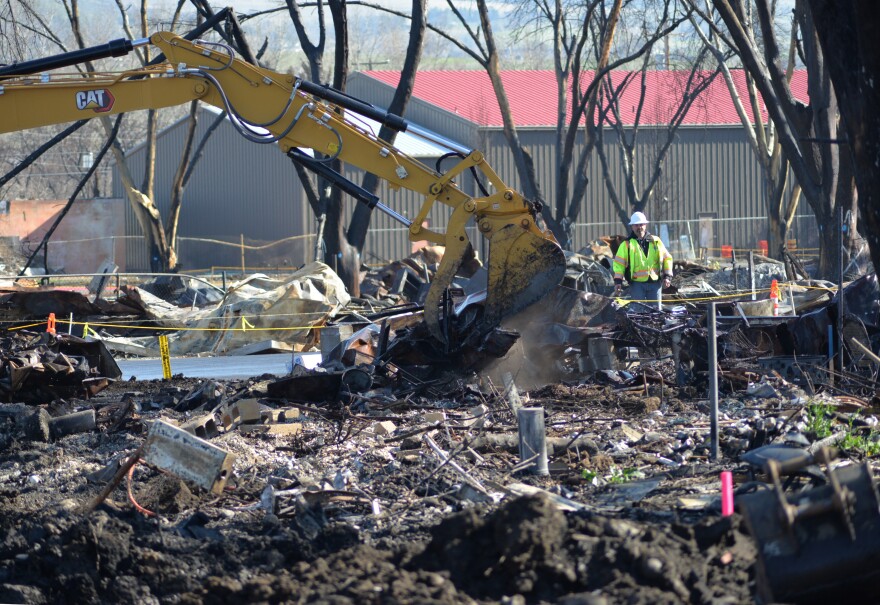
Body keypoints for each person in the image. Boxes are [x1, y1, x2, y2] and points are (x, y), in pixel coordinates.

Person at [612, 211, 673, 309]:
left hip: (655, 283)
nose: (639, 227)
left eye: (641, 224)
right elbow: (619, 265)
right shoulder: (626, 244)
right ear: (632, 227)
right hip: (637, 284)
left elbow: (667, 258)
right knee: (637, 313)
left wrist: (667, 276)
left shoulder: (656, 241)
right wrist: (618, 282)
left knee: (656, 314)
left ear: (645, 225)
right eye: (636, 225)